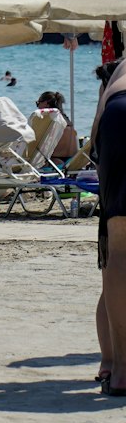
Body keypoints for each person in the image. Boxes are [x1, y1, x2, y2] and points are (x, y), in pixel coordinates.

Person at [93, 39, 126, 394]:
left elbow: (94, 137)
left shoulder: (117, 71)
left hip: (117, 115)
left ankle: (117, 369)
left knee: (117, 250)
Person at [36, 90, 80, 162]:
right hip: (72, 160)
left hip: (55, 162)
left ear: (46, 103)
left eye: (38, 103)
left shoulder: (49, 121)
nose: (38, 107)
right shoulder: (65, 119)